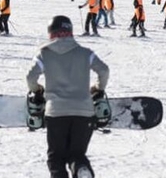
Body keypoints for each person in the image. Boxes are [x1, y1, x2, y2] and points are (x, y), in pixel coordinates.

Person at [26, 16, 109, 178]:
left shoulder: (44, 54)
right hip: (85, 113)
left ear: (51, 33)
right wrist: (98, 89)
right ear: (70, 32)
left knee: (56, 157)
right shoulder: (86, 53)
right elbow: (104, 71)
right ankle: (81, 168)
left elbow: (30, 77)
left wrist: (37, 90)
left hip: (56, 113)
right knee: (77, 154)